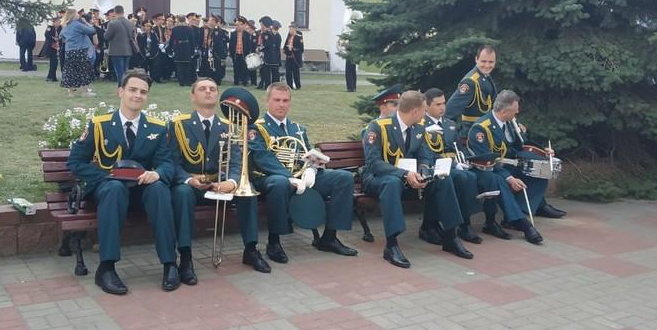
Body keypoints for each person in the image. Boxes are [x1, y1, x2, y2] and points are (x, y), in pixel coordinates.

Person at [67, 71, 177, 295]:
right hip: (108, 190)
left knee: (159, 189)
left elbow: (167, 163)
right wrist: (107, 176)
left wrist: (157, 174)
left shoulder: (157, 127)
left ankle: (170, 263)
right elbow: (76, 162)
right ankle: (106, 268)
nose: (137, 95)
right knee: (115, 189)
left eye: (143, 92)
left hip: (141, 190)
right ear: (120, 91)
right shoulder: (99, 125)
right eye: (132, 90)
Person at [169, 79, 271, 277]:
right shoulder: (178, 125)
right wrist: (189, 180)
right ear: (193, 96)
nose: (208, 92)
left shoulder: (227, 126)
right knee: (181, 194)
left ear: (217, 95)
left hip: (219, 184)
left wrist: (231, 182)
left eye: (212, 89)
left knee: (246, 191)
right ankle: (185, 257)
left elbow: (236, 162)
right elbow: (172, 162)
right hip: (191, 184)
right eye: (202, 89)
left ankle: (251, 249)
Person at [247, 83, 358, 263]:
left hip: (300, 176)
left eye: (285, 100)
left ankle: (329, 237)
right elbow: (262, 158)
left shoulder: (298, 128)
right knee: (280, 183)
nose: (281, 104)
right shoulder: (256, 128)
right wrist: (289, 177)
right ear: (267, 101)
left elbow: (307, 154)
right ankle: (274, 242)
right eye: (277, 100)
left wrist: (312, 169)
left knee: (343, 178)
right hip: (268, 177)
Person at [363, 90, 473, 268]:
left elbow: (424, 156)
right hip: (379, 178)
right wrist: (404, 174)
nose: (425, 113)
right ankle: (391, 245)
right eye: (423, 110)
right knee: (392, 183)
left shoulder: (418, 127)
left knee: (442, 178)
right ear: (415, 111)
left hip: (410, 177)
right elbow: (373, 163)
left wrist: (423, 172)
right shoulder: (378, 127)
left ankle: (450, 237)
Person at [466, 90, 562, 245]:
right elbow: (487, 161)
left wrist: (543, 151)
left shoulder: (511, 122)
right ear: (504, 111)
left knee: (539, 171)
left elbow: (523, 144)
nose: (517, 112)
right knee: (500, 181)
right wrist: (509, 178)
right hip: (486, 169)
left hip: (509, 165)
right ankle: (523, 224)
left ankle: (519, 212)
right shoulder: (481, 129)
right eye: (515, 110)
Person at [421, 88, 483, 245]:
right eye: (437, 104)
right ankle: (435, 225)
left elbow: (459, 148)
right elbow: (428, 153)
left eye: (444, 103)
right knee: (459, 177)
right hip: (434, 166)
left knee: (471, 176)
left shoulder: (449, 124)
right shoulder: (421, 125)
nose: (442, 107)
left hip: (453, 165)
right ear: (426, 106)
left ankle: (465, 223)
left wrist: (464, 160)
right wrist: (454, 164)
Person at [445, 46, 498, 139]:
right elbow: (449, 111)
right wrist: (455, 132)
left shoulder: (486, 77)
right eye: (483, 61)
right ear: (476, 59)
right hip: (472, 133)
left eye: (491, 62)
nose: (487, 65)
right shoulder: (470, 82)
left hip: (486, 130)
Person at [60, 8, 96, 96]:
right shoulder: (77, 25)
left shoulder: (66, 25)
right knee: (83, 70)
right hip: (80, 50)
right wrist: (87, 23)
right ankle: (85, 91)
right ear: (73, 15)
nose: (78, 15)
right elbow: (91, 31)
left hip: (69, 51)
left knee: (70, 71)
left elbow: (62, 35)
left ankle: (71, 92)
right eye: (77, 13)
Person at [104, 4, 136, 87]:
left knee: (119, 72)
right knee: (125, 71)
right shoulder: (130, 23)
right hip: (128, 50)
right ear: (123, 12)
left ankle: (121, 88)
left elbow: (106, 37)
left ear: (115, 12)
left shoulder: (112, 23)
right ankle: (125, 87)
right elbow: (132, 36)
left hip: (116, 51)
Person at [230, 16, 255, 86]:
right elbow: (231, 45)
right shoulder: (233, 34)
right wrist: (231, 53)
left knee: (244, 68)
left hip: (244, 54)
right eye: (236, 25)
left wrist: (248, 53)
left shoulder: (247, 34)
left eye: (239, 25)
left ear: (243, 25)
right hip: (236, 54)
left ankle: (245, 81)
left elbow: (249, 45)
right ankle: (236, 81)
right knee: (236, 68)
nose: (238, 26)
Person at [283, 23, 304, 90]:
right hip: (289, 57)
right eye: (289, 29)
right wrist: (286, 50)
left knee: (296, 72)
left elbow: (301, 47)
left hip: (295, 57)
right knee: (288, 72)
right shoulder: (289, 36)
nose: (290, 31)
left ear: (294, 29)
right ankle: (289, 86)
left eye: (291, 29)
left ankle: (298, 86)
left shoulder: (299, 35)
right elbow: (286, 44)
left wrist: (293, 48)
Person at [262, 20, 282, 87]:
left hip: (275, 57)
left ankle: (275, 86)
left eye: (276, 28)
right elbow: (265, 43)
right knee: (267, 73)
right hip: (268, 56)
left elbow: (277, 46)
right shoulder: (267, 34)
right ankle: (267, 86)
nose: (275, 29)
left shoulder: (278, 36)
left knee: (275, 73)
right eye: (274, 28)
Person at [42, 16, 61, 82]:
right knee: (53, 62)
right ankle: (51, 77)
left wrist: (59, 38)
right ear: (54, 22)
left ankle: (51, 77)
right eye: (58, 22)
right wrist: (53, 38)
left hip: (57, 47)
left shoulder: (60, 28)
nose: (59, 23)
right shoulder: (50, 27)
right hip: (51, 47)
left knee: (54, 63)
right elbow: (46, 35)